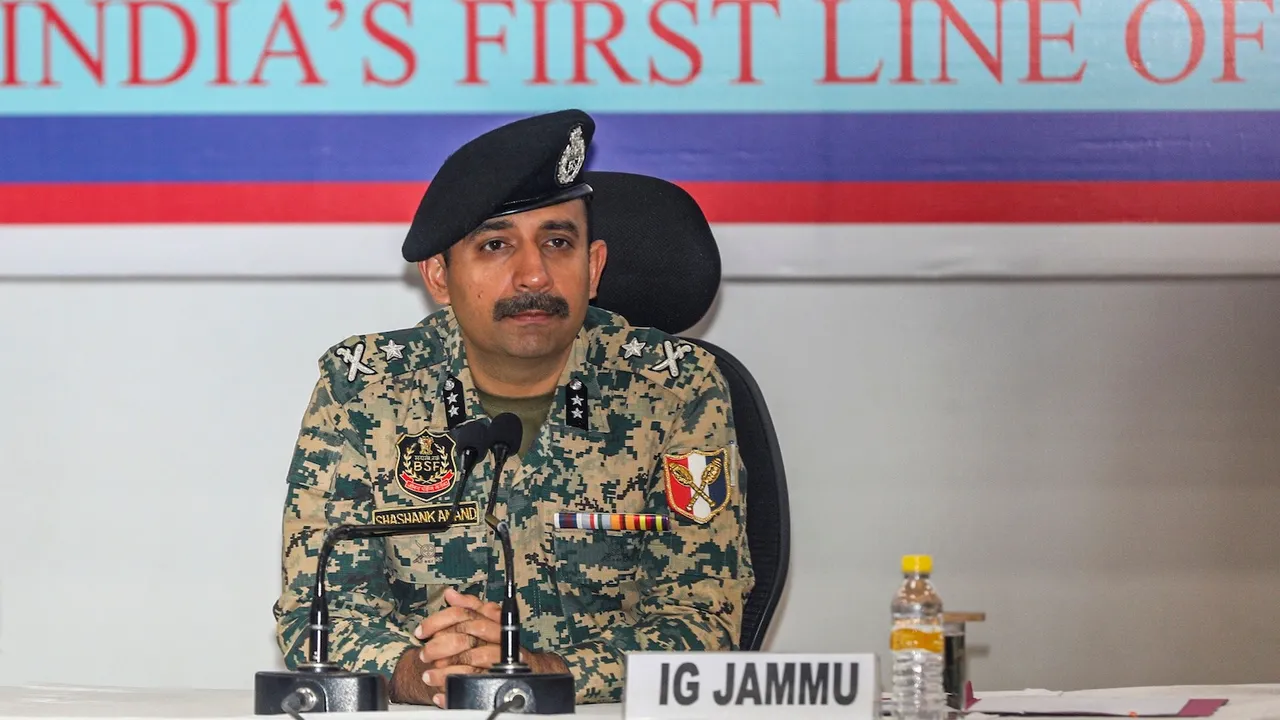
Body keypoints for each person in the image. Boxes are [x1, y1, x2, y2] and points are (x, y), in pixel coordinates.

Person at [271, 109, 754, 707]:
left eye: (558, 242)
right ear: (439, 276)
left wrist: (542, 671)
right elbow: (314, 613)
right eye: (496, 245)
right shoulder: (364, 390)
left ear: (593, 266)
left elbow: (704, 618)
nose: (534, 275)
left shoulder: (674, 391)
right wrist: (419, 671)